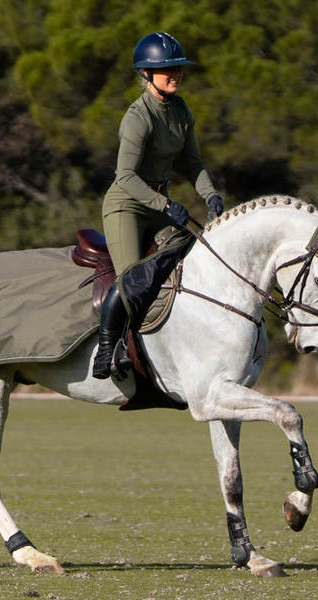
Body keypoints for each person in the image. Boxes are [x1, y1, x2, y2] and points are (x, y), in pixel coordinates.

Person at [92, 31, 225, 380]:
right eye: (167, 69)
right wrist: (165, 205)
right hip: (128, 206)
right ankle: (107, 350)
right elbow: (125, 177)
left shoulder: (180, 109)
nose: (176, 73)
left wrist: (210, 195)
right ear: (146, 74)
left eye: (179, 67)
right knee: (132, 279)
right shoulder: (138, 118)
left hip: (158, 204)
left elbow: (193, 164)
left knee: (192, 249)